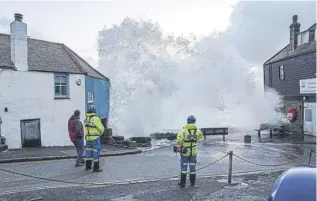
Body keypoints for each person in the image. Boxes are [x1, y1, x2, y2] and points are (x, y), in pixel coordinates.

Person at [176, 115, 204, 188]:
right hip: (193, 152)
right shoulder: (198, 131)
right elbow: (201, 138)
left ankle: (182, 184)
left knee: (184, 167)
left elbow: (179, 141)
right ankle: (192, 183)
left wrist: (183, 143)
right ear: (194, 121)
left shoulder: (182, 131)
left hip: (185, 152)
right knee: (192, 168)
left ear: (187, 121)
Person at [84, 105, 105, 172]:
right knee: (96, 152)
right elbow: (101, 128)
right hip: (95, 138)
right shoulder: (95, 118)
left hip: (88, 138)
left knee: (88, 151)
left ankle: (88, 166)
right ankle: (96, 167)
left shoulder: (86, 118)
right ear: (94, 111)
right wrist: (100, 133)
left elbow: (86, 127)